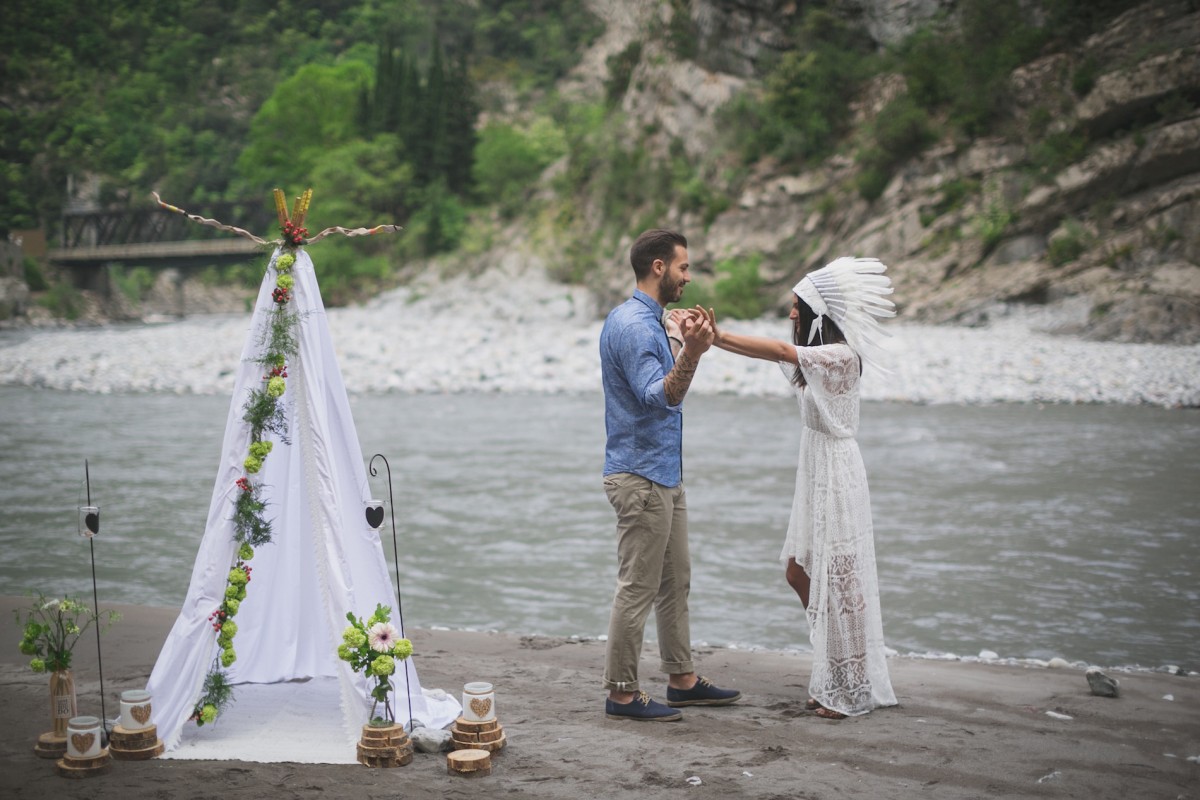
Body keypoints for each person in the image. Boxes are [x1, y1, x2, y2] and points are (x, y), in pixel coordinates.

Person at [699, 256, 898, 720]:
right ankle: (835, 668)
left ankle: (852, 685)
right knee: (798, 571)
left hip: (839, 471)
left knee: (841, 578)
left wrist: (719, 336)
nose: (791, 314)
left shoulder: (841, 356)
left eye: (797, 306)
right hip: (815, 468)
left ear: (818, 312)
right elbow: (777, 354)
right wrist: (716, 342)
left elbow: (779, 351)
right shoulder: (815, 360)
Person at [598, 228, 742, 721]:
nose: (688, 276)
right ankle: (621, 693)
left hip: (662, 473)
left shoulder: (646, 320)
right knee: (637, 587)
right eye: (683, 267)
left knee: (676, 579)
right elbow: (660, 396)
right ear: (658, 267)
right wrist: (693, 352)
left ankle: (681, 679)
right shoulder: (636, 327)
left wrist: (681, 337)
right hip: (639, 477)